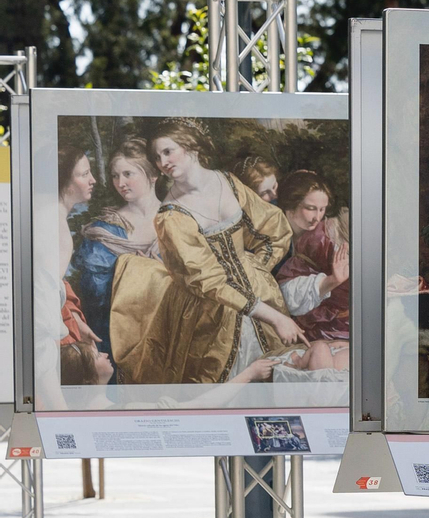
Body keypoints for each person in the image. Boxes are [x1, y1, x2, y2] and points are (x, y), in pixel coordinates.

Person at [131, 118, 307, 384]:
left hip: (256, 291)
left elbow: (273, 225)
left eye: (168, 151)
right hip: (208, 307)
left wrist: (255, 266)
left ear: (191, 146)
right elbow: (208, 281)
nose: (163, 161)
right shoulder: (171, 216)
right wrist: (273, 316)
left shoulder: (228, 181)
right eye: (157, 157)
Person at [70, 137, 162, 353]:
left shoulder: (178, 221)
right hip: (116, 338)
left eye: (128, 174)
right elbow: (95, 298)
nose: (120, 183)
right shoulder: (104, 232)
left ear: (153, 174)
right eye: (115, 176)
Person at [273, 170, 352, 359]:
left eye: (322, 209)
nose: (318, 217)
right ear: (290, 207)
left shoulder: (319, 236)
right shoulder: (273, 234)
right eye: (310, 208)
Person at [55, 144, 97, 346]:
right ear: (66, 182)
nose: (93, 180)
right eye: (84, 174)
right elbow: (45, 291)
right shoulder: (56, 227)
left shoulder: (54, 217)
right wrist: (68, 330)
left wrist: (77, 320)